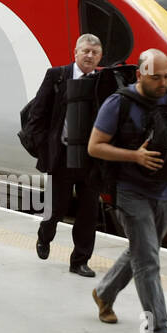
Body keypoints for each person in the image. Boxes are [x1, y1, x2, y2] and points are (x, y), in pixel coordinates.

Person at [86, 48, 167, 333]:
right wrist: (135, 156)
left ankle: (104, 293)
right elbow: (95, 147)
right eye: (156, 77)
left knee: (142, 250)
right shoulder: (118, 103)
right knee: (148, 261)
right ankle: (156, 328)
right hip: (130, 190)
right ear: (140, 75)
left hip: (166, 190)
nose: (163, 83)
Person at [25, 33, 103, 277]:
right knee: (56, 209)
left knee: (88, 212)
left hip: (91, 158)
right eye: (85, 51)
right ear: (76, 53)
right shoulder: (57, 75)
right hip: (63, 155)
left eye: (94, 52)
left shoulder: (102, 81)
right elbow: (37, 114)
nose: (89, 56)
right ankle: (45, 234)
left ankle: (79, 260)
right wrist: (44, 148)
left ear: (100, 57)